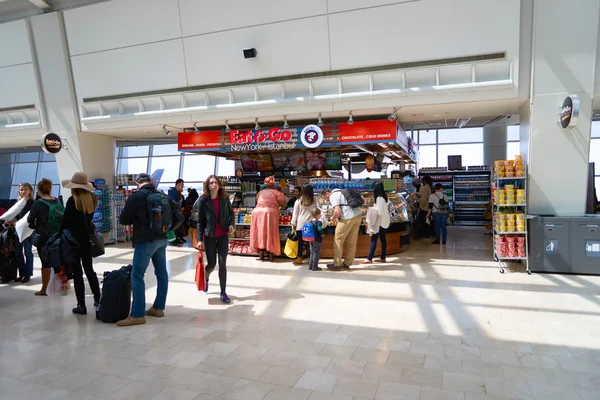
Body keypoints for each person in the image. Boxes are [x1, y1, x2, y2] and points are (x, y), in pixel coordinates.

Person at [117, 173, 182, 326]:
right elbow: (177, 210)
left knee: (137, 275)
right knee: (161, 273)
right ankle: (158, 308)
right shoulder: (161, 194)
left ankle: (137, 314)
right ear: (150, 182)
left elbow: (124, 219)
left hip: (145, 240)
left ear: (137, 183)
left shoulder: (136, 197)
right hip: (162, 239)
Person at [60, 173, 101, 315]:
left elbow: (65, 222)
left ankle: (81, 305)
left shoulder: (73, 201)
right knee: (89, 270)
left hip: (73, 241)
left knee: (77, 273)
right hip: (87, 240)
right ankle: (98, 298)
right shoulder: (93, 199)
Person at [197, 175, 235, 304]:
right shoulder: (203, 201)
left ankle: (223, 292)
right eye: (211, 183)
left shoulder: (224, 199)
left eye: (216, 182)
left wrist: (231, 224)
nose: (214, 185)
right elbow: (200, 221)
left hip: (223, 234)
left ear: (219, 185)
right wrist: (199, 239)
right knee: (212, 264)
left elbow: (231, 214)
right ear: (208, 185)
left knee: (222, 263)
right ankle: (206, 276)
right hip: (210, 236)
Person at [27, 178, 63, 296]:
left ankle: (45, 289)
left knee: (45, 262)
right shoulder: (57, 201)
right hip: (57, 234)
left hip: (44, 236)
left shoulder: (38, 203)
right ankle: (61, 287)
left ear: (39, 190)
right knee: (58, 259)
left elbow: (29, 220)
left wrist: (35, 225)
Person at [250, 175, 287, 261]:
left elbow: (258, 201)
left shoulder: (260, 193)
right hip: (270, 213)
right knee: (271, 232)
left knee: (260, 232)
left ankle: (261, 253)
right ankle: (271, 253)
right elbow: (283, 204)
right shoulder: (277, 193)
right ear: (273, 184)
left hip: (257, 212)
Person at [326, 188, 363, 270]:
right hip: (357, 216)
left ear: (328, 193)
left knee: (338, 240)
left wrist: (333, 218)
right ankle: (347, 263)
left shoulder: (333, 195)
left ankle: (337, 264)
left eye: (326, 198)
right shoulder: (343, 192)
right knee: (352, 241)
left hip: (347, 218)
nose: (327, 200)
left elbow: (337, 211)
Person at [363, 182, 391, 264]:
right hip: (385, 221)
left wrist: (371, 209)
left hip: (379, 222)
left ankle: (369, 258)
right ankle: (383, 257)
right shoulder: (385, 197)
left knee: (374, 239)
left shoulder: (379, 198)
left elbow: (379, 212)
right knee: (383, 239)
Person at [13, 183, 35, 283]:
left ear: (30, 191)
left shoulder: (31, 203)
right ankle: (21, 274)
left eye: (25, 189)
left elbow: (26, 216)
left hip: (27, 231)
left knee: (28, 252)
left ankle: (27, 274)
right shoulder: (18, 202)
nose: (23, 191)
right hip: (17, 230)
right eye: (21, 189)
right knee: (18, 253)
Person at [291, 184, 317, 265]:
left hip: (301, 224)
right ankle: (310, 259)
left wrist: (293, 224)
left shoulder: (299, 201)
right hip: (311, 224)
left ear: (303, 191)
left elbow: (295, 214)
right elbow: (317, 212)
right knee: (310, 243)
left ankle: (299, 258)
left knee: (300, 243)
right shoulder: (314, 201)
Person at [168, 179, 186, 246]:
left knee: (178, 225)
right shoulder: (172, 192)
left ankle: (177, 238)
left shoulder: (177, 193)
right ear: (177, 184)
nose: (182, 186)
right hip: (174, 212)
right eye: (182, 185)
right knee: (175, 225)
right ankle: (173, 240)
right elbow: (173, 202)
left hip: (177, 211)